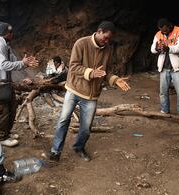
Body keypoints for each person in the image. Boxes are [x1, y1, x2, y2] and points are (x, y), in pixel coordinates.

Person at [49, 21, 130, 162]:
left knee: (86, 127)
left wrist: (115, 79)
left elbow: (106, 72)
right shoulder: (81, 43)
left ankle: (78, 147)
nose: (107, 41)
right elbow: (73, 67)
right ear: (99, 31)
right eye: (105, 37)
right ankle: (55, 151)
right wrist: (90, 72)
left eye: (109, 39)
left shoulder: (108, 50)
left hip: (91, 95)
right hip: (74, 90)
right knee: (63, 120)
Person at [0, 21, 39, 147]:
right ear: (7, 33)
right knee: (2, 112)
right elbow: (4, 65)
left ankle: (7, 132)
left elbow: (14, 63)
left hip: (7, 84)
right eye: (11, 32)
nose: (13, 34)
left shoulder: (6, 46)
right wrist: (23, 63)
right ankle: (1, 137)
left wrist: (26, 65)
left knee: (11, 108)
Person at [150, 18, 179, 122]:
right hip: (164, 68)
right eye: (162, 31)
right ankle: (164, 110)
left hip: (178, 68)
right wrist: (157, 48)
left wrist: (169, 48)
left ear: (170, 25)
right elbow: (152, 49)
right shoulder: (158, 34)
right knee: (163, 92)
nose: (164, 32)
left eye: (165, 30)